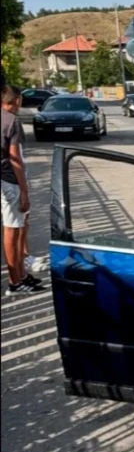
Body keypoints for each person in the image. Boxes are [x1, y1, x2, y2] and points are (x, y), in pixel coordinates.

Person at [1, 83, 47, 297]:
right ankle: (15, 281)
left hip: (6, 181)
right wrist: (25, 191)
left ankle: (21, 274)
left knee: (18, 228)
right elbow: (15, 159)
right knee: (13, 230)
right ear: (17, 100)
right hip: (10, 181)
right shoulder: (12, 122)